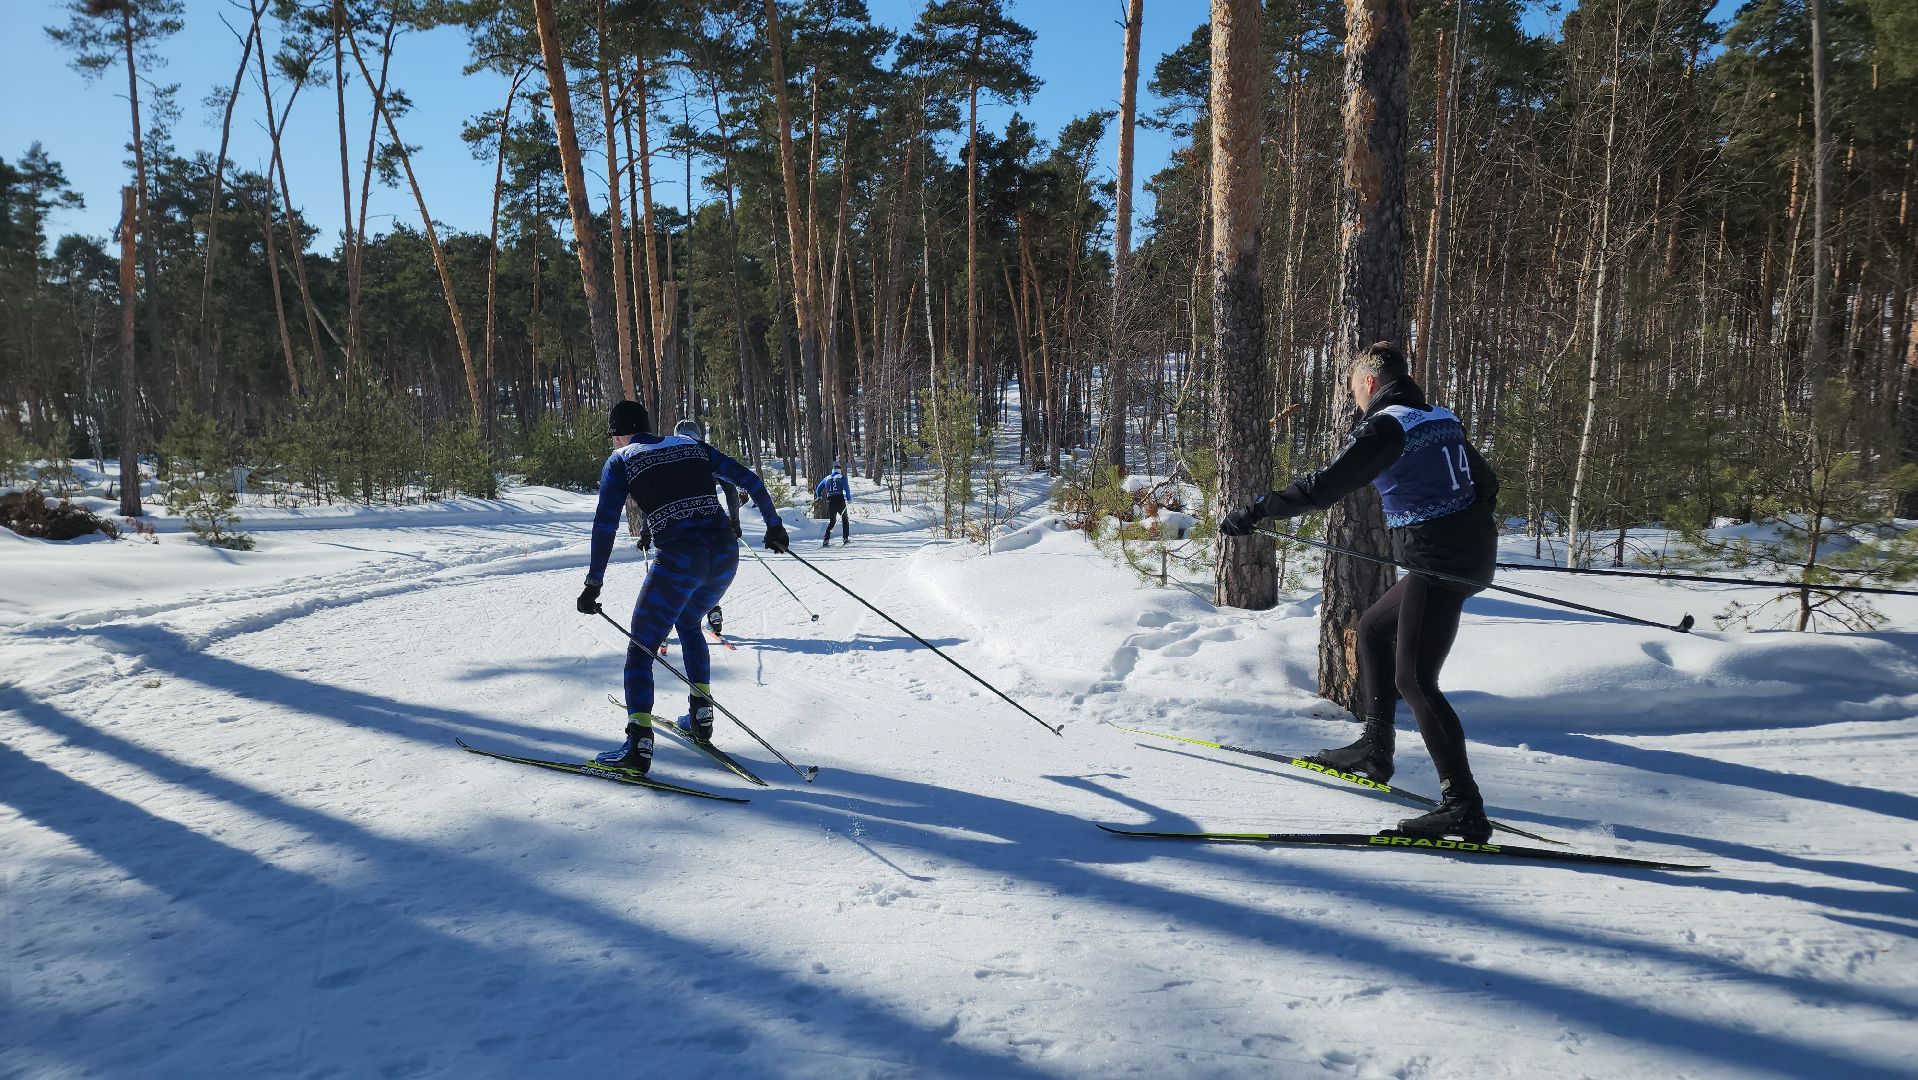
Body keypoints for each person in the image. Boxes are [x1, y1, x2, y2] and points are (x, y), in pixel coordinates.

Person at [1219, 341, 1500, 841]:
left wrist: (1257, 511)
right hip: (1456, 556)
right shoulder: (1440, 416)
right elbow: (1487, 481)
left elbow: (1327, 485)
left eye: (1353, 390)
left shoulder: (1388, 424)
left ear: (1369, 383)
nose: (1354, 400)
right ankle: (1375, 747)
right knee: (1372, 629)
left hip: (1439, 561)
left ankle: (1463, 805)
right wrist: (1462, 531)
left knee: (1415, 679)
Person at [576, 401, 790, 775]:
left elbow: (605, 525)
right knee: (690, 621)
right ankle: (700, 714)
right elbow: (750, 481)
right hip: (724, 555)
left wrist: (594, 583)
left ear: (619, 434)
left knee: (641, 649)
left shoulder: (622, 459)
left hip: (679, 560)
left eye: (613, 437)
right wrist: (774, 525)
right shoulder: (689, 445)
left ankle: (638, 746)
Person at [674, 419, 742, 637]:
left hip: (678, 526)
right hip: (712, 525)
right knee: (711, 570)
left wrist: (647, 531)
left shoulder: (667, 456)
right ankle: (713, 614)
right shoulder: (707, 454)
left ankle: (664, 624)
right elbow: (731, 491)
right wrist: (734, 523)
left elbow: (651, 497)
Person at [813, 464, 852, 546]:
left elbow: (818, 489)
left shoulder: (827, 478)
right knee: (845, 519)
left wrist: (819, 496)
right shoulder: (842, 477)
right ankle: (845, 538)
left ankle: (826, 540)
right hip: (840, 501)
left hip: (830, 502)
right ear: (840, 470)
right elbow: (847, 489)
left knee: (832, 521)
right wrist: (849, 498)